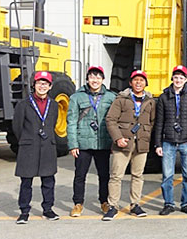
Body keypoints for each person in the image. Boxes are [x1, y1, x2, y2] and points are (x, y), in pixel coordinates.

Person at [104, 70, 156, 221]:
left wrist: (145, 136)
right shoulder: (121, 99)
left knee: (138, 175)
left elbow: (152, 122)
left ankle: (135, 205)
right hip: (123, 143)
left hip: (141, 144)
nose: (138, 83)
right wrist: (118, 138)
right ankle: (113, 206)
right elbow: (110, 120)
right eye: (135, 80)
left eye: (141, 80)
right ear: (130, 83)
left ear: (146, 83)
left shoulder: (150, 101)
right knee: (116, 176)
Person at [66, 65, 116, 217]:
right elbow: (72, 121)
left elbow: (115, 121)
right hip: (83, 144)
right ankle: (78, 203)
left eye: (98, 77)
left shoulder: (111, 97)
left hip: (103, 143)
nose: (95, 80)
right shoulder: (76, 97)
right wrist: (73, 144)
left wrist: (114, 142)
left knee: (104, 175)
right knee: (80, 175)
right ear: (87, 79)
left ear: (103, 79)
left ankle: (104, 201)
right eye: (92, 77)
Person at [13, 71, 60, 224]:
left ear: (50, 86)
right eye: (39, 83)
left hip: (47, 147)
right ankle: (24, 211)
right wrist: (28, 140)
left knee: (48, 181)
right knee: (26, 181)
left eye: (45, 83)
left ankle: (48, 209)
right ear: (34, 85)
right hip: (29, 147)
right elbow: (17, 127)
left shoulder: (53, 105)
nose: (42, 86)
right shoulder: (23, 104)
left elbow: (52, 124)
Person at [154, 65, 187, 215]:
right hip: (168, 141)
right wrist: (158, 143)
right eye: (176, 77)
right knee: (167, 175)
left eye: (181, 78)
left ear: (186, 80)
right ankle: (168, 203)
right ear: (172, 78)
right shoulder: (164, 97)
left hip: (186, 142)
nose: (178, 80)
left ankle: (186, 202)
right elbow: (159, 122)